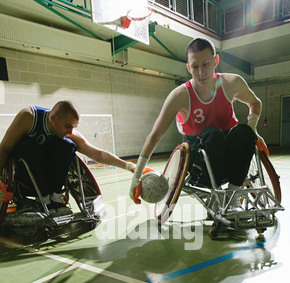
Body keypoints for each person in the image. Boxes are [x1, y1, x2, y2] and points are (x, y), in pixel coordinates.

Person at [129, 37, 268, 205]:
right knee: (213, 135)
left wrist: (254, 130)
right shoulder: (179, 96)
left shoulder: (231, 83)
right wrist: (136, 176)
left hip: (230, 162)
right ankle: (220, 196)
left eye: (206, 64)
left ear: (215, 61)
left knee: (245, 132)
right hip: (199, 166)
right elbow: (155, 135)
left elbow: (255, 103)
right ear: (188, 68)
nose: (201, 72)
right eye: (195, 67)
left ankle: (232, 194)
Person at [0, 100, 136, 212]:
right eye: (68, 126)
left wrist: (130, 166)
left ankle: (55, 198)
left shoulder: (66, 131)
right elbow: (4, 148)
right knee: (31, 146)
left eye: (73, 127)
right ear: (53, 118)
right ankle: (42, 199)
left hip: (47, 176)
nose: (71, 131)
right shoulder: (29, 117)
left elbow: (97, 153)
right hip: (24, 176)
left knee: (68, 145)